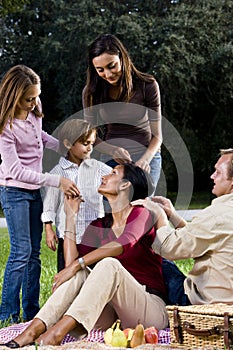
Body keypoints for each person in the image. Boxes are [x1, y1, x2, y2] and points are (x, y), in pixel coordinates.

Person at [3, 163, 168, 348]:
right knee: (80, 272)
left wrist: (77, 264)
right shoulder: (99, 226)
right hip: (111, 316)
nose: (104, 177)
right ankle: (32, 330)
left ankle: (57, 333)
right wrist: (70, 216)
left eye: (113, 173)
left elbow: (125, 242)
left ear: (125, 185)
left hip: (148, 310)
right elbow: (71, 266)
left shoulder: (142, 213)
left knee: (108, 264)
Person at [0, 65, 79, 324]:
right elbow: (14, 170)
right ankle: (8, 315)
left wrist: (66, 149)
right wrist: (56, 181)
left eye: (37, 96)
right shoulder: (5, 127)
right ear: (14, 97)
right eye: (29, 99)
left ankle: (31, 312)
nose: (34, 103)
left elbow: (40, 137)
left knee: (33, 255)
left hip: (35, 189)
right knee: (21, 252)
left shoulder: (34, 110)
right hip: (14, 191)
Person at [132, 148, 233, 305]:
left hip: (205, 303)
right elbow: (202, 239)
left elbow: (169, 248)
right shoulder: (222, 215)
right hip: (226, 298)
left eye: (218, 172)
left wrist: (159, 214)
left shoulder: (217, 215)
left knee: (153, 262)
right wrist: (173, 216)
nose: (212, 176)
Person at [83, 33, 163, 190]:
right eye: (100, 70)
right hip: (112, 158)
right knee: (113, 209)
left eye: (112, 66)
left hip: (147, 156)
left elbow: (157, 136)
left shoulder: (147, 85)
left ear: (123, 58)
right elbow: (89, 138)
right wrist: (113, 150)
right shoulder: (91, 92)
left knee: (140, 208)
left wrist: (145, 160)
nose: (108, 74)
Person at [41, 118, 111, 270]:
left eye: (92, 144)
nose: (90, 148)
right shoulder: (57, 173)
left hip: (95, 237)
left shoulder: (98, 168)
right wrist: (48, 230)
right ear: (68, 144)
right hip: (68, 237)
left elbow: (117, 180)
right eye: (85, 143)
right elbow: (49, 205)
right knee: (67, 274)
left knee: (94, 276)